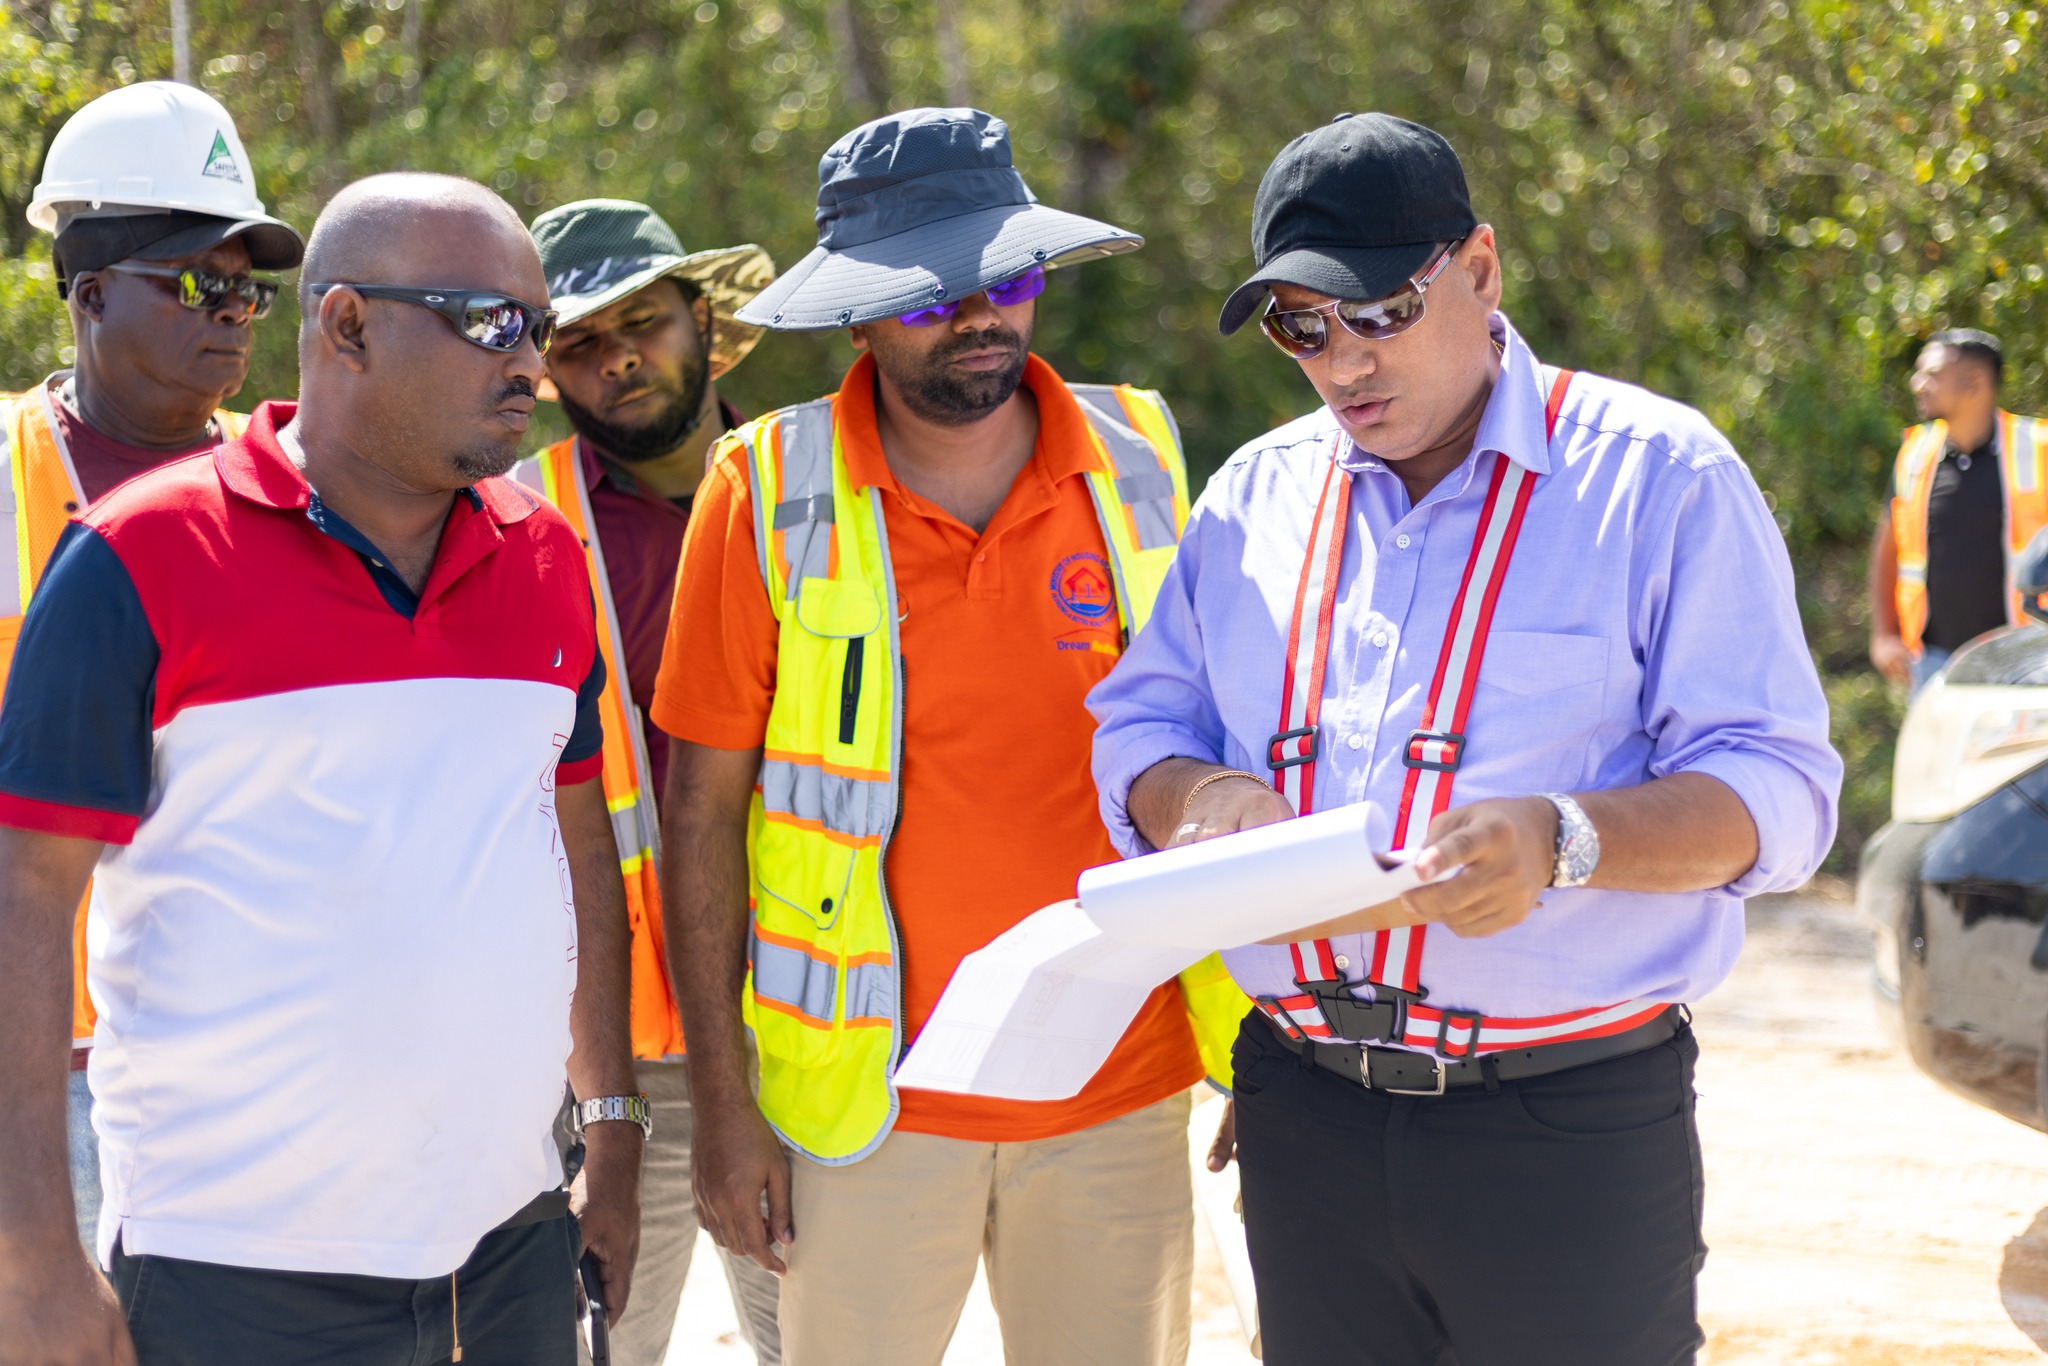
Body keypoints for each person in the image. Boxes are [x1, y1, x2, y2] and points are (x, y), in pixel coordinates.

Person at [1088, 113, 1842, 1366]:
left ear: (1480, 270)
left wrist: (1565, 839)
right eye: (1299, 328)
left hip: (1561, 1126)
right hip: (1303, 1115)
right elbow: (1139, 725)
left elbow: (1780, 793)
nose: (1342, 363)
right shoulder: (1253, 498)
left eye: (1378, 311)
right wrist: (1196, 796)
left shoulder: (1657, 477)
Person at [0, 172, 642, 1366]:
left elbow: (574, 839)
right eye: (491, 323)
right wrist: (31, 1252)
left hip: (508, 1247)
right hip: (230, 1276)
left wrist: (611, 1123)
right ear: (346, 325)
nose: (531, 366)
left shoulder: (546, 556)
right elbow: (22, 898)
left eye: (537, 328)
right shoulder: (135, 557)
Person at [655, 107, 1244, 1366]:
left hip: (1118, 1084)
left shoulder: (1141, 454)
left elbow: (1224, 758)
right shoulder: (764, 490)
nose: (979, 316)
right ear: (856, 318)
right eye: (929, 297)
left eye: (1008, 278)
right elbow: (698, 813)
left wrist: (1260, 1038)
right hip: (866, 1104)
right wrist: (721, 1107)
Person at [3, 78, 303, 1258]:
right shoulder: (9, 474)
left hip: (263, 1042)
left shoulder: (294, 487)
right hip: (55, 1063)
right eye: (193, 282)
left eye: (244, 287)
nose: (231, 310)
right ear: (88, 294)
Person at [522, 197, 784, 1366]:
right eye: (579, 340)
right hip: (608, 1057)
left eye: (644, 323)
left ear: (704, 323)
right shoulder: (514, 523)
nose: (617, 357)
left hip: (807, 1025)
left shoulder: (810, 487)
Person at [1869, 328, 2048, 693]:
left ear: (1974, 383)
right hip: (1933, 663)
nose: (1917, 384)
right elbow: (1888, 550)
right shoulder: (1916, 454)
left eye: (1932, 374)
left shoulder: (2039, 448)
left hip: (2027, 662)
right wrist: (1884, 634)